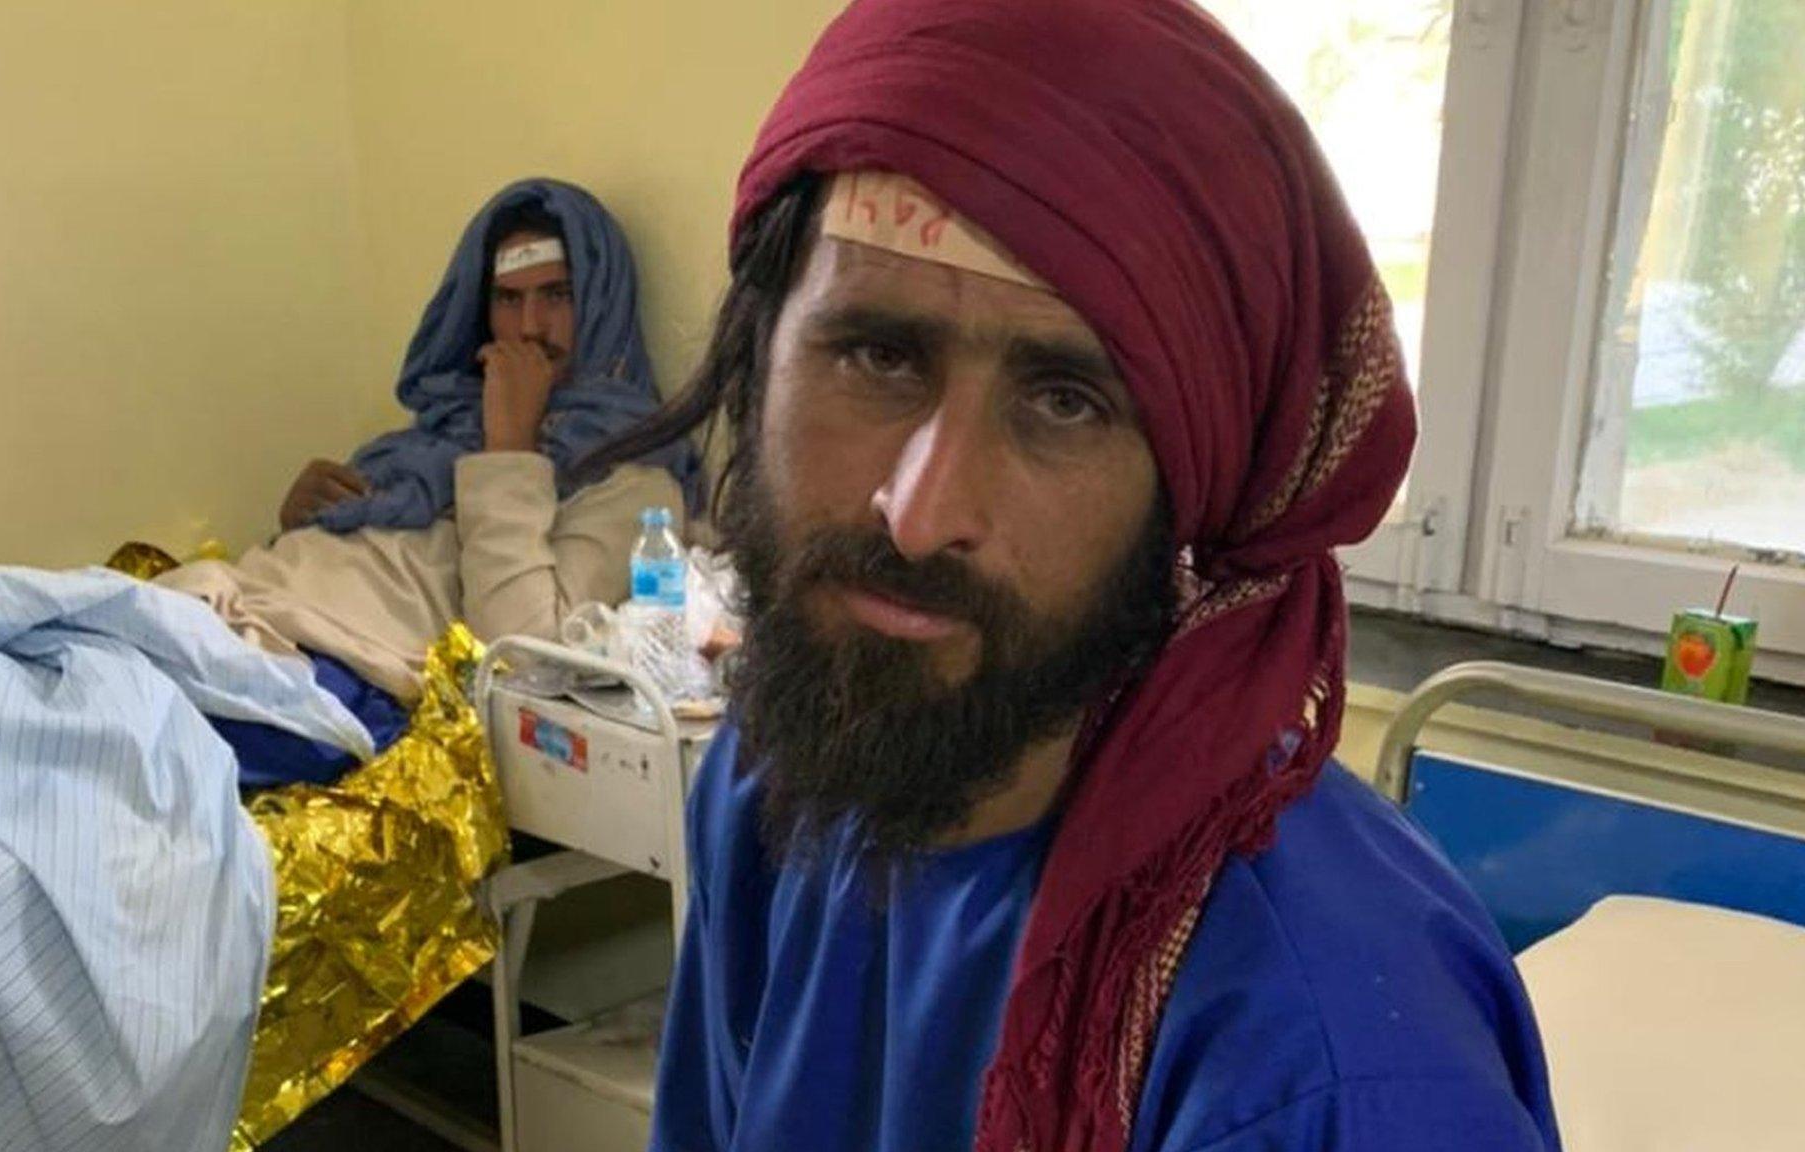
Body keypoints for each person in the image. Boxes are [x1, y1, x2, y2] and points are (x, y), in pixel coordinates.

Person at [586, 2, 1562, 1148]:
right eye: (876, 354)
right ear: (760, 355)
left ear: (1186, 488)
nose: (920, 513)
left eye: (1064, 401)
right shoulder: (773, 782)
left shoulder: (1321, 1066)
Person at [161, 178, 701, 785]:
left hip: (326, 676)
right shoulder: (444, 429)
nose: (529, 326)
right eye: (507, 298)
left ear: (602, 304)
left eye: (558, 295)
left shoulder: (632, 481)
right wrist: (298, 519)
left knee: (89, 736)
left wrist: (510, 452)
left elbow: (522, 654)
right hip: (232, 610)